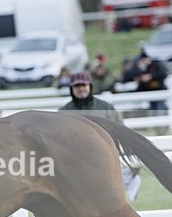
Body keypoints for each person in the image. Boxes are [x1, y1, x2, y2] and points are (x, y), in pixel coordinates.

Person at [58, 71, 142, 200]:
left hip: (106, 155)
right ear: (71, 89)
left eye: (84, 85)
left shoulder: (105, 107)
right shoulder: (64, 112)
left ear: (90, 86)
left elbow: (121, 131)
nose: (81, 89)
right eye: (77, 86)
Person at [123, 51, 167, 134]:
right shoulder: (143, 68)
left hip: (159, 92)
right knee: (153, 113)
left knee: (160, 112)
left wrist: (151, 76)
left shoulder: (156, 65)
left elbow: (162, 74)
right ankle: (158, 130)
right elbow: (130, 75)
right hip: (151, 94)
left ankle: (162, 130)